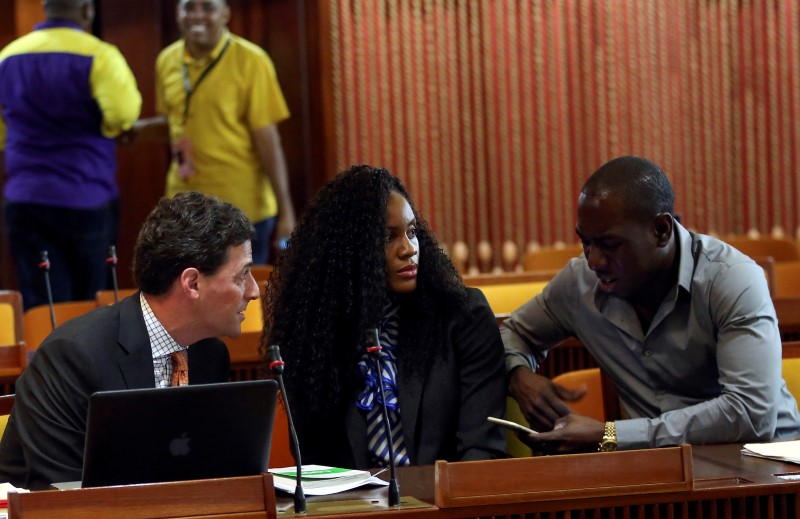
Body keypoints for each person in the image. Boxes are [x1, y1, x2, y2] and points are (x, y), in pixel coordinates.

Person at [503, 156, 800, 454]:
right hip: (660, 474)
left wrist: (612, 434)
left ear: (661, 230)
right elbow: (511, 334)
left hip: (766, 466)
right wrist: (519, 377)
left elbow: (750, 413)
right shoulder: (579, 283)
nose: (593, 261)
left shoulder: (730, 278)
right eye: (586, 242)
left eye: (610, 244)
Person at [0, 191, 260, 490]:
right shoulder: (72, 356)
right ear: (192, 283)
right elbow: (62, 493)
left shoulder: (210, 354)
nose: (253, 291)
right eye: (242, 275)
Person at [263, 164, 506, 468]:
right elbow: (315, 464)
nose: (408, 249)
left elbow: (481, 451)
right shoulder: (314, 333)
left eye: (412, 232)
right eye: (388, 237)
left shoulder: (464, 316)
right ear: (349, 251)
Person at [129, 0, 295, 264]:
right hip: (184, 209)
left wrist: (286, 211)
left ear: (225, 14)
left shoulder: (251, 60)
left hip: (242, 208)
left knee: (240, 299)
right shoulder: (167, 60)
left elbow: (268, 140)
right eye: (188, 7)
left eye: (207, 7)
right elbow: (175, 123)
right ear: (177, 13)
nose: (197, 15)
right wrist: (134, 131)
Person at [0, 0, 142, 310]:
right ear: (87, 11)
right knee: (89, 303)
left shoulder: (8, 57)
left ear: (45, 8)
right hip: (85, 196)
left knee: (42, 302)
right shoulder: (100, 55)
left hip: (26, 199)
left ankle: (46, 357)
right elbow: (122, 115)